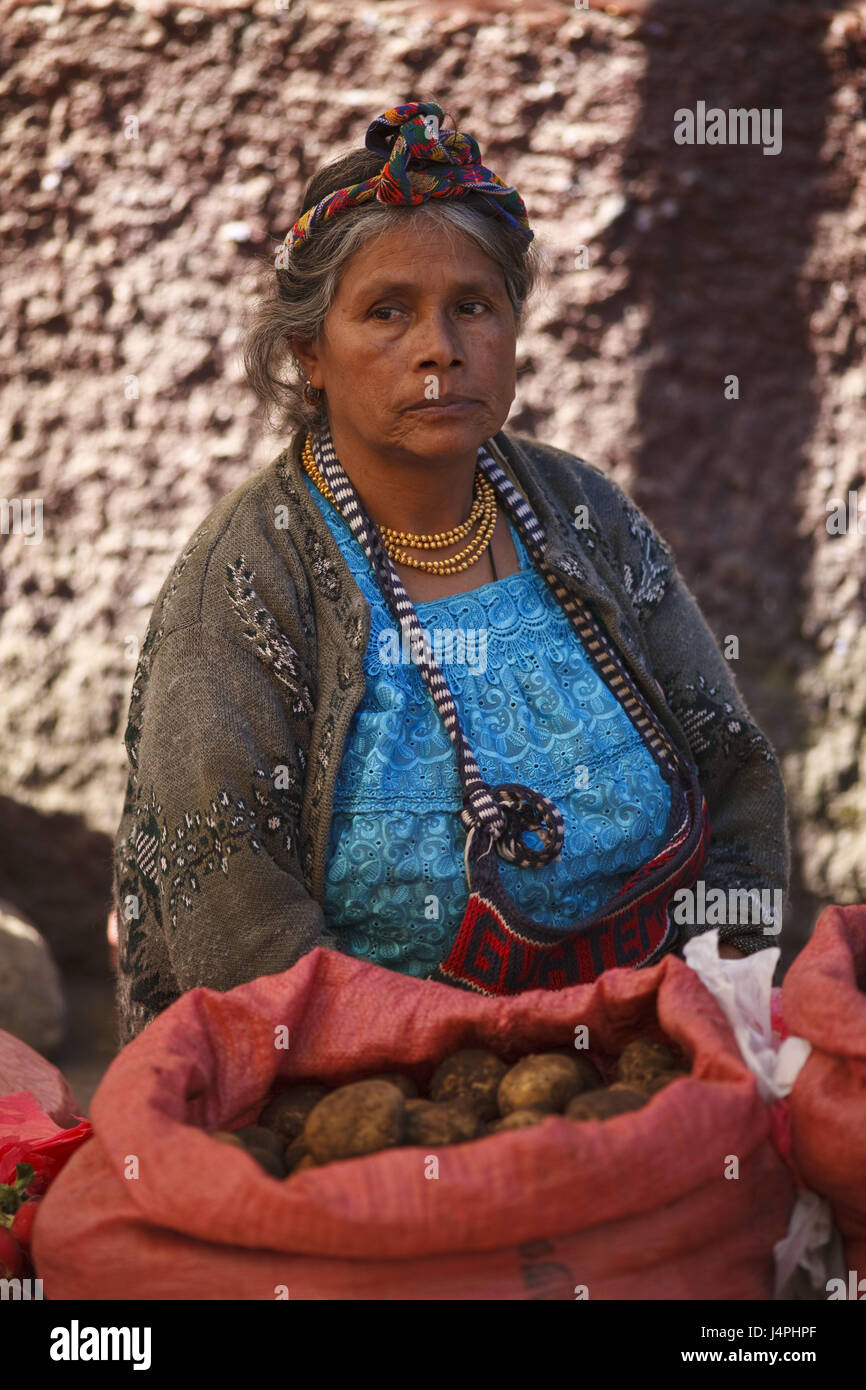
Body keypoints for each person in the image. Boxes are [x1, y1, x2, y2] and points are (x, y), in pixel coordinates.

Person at [112, 100, 789, 1046]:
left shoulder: (582, 514)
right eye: (388, 312)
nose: (441, 348)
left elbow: (735, 774)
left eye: (473, 305)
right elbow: (236, 916)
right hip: (374, 1104)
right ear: (310, 352)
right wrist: (457, 1083)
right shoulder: (247, 583)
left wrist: (714, 1006)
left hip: (659, 1059)